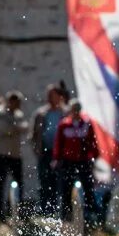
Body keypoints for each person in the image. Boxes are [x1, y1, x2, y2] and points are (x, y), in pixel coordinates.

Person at [52, 99, 99, 224]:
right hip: (68, 161)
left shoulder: (86, 124)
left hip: (83, 160)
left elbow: (92, 141)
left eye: (78, 110)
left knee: (88, 186)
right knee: (66, 187)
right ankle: (65, 214)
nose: (76, 112)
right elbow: (59, 143)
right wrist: (56, 158)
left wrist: (95, 155)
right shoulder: (64, 125)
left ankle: (90, 214)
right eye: (74, 110)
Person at [0, 91, 30, 218]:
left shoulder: (18, 114)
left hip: (15, 154)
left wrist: (12, 128)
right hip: (1, 153)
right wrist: (12, 128)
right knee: (0, 184)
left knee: (19, 183)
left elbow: (25, 127)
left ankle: (17, 211)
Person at [32, 84, 68, 215]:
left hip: (61, 154)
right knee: (44, 180)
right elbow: (35, 134)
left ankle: (59, 209)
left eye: (53, 95)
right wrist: (37, 149)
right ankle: (45, 209)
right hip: (45, 152)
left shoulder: (65, 113)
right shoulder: (41, 113)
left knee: (59, 181)